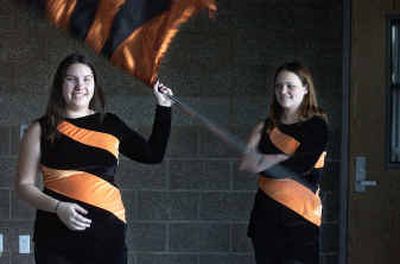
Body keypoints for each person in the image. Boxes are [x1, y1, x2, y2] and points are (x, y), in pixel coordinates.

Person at [15, 53, 173, 264]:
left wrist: (164, 107)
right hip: (55, 239)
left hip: (108, 237)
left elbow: (153, 155)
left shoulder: (111, 124)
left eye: (87, 79)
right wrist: (58, 207)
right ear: (60, 85)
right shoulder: (40, 129)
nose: (80, 85)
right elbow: (24, 185)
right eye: (71, 79)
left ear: (94, 85)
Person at [240, 61, 328, 264]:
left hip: (301, 219)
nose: (283, 91)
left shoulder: (316, 125)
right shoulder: (266, 126)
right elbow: (247, 163)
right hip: (264, 219)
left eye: (290, 85)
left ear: (305, 89)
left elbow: (300, 166)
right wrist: (280, 159)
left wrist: (265, 161)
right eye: (278, 86)